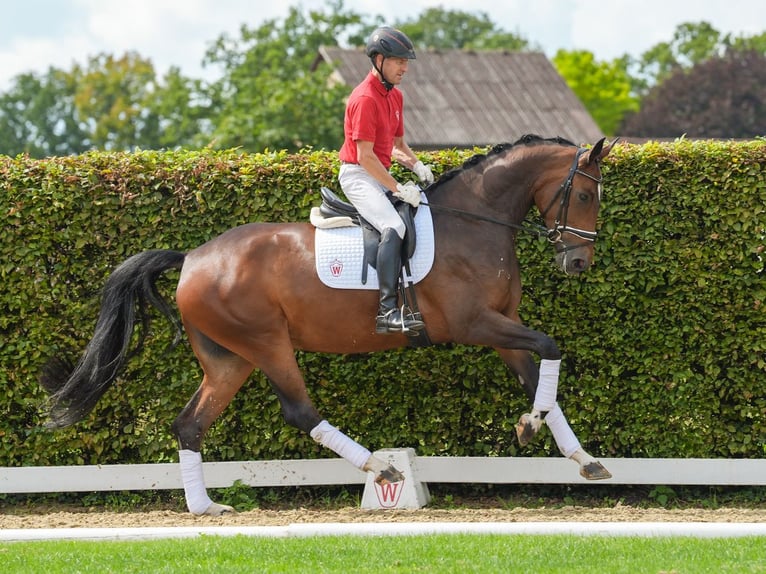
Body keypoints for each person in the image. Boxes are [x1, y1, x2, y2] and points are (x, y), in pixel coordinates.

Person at [338, 26, 434, 334]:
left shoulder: (396, 96)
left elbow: (397, 145)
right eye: (397, 61)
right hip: (359, 176)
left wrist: (417, 165)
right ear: (379, 60)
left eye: (406, 62)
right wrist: (397, 188)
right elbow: (365, 157)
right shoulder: (364, 99)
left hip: (378, 173)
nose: (404, 68)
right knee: (394, 225)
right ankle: (387, 311)